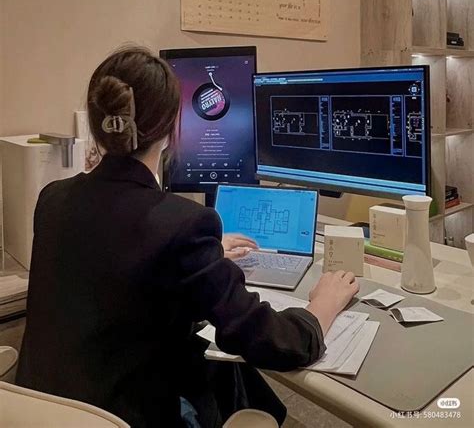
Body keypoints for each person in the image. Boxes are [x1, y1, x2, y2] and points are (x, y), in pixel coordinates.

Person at [16, 46, 359, 428]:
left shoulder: (53, 200)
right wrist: (322, 307)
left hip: (50, 413)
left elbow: (119, 289)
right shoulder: (182, 224)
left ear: (99, 123)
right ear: (170, 129)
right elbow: (269, 340)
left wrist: (204, 259)